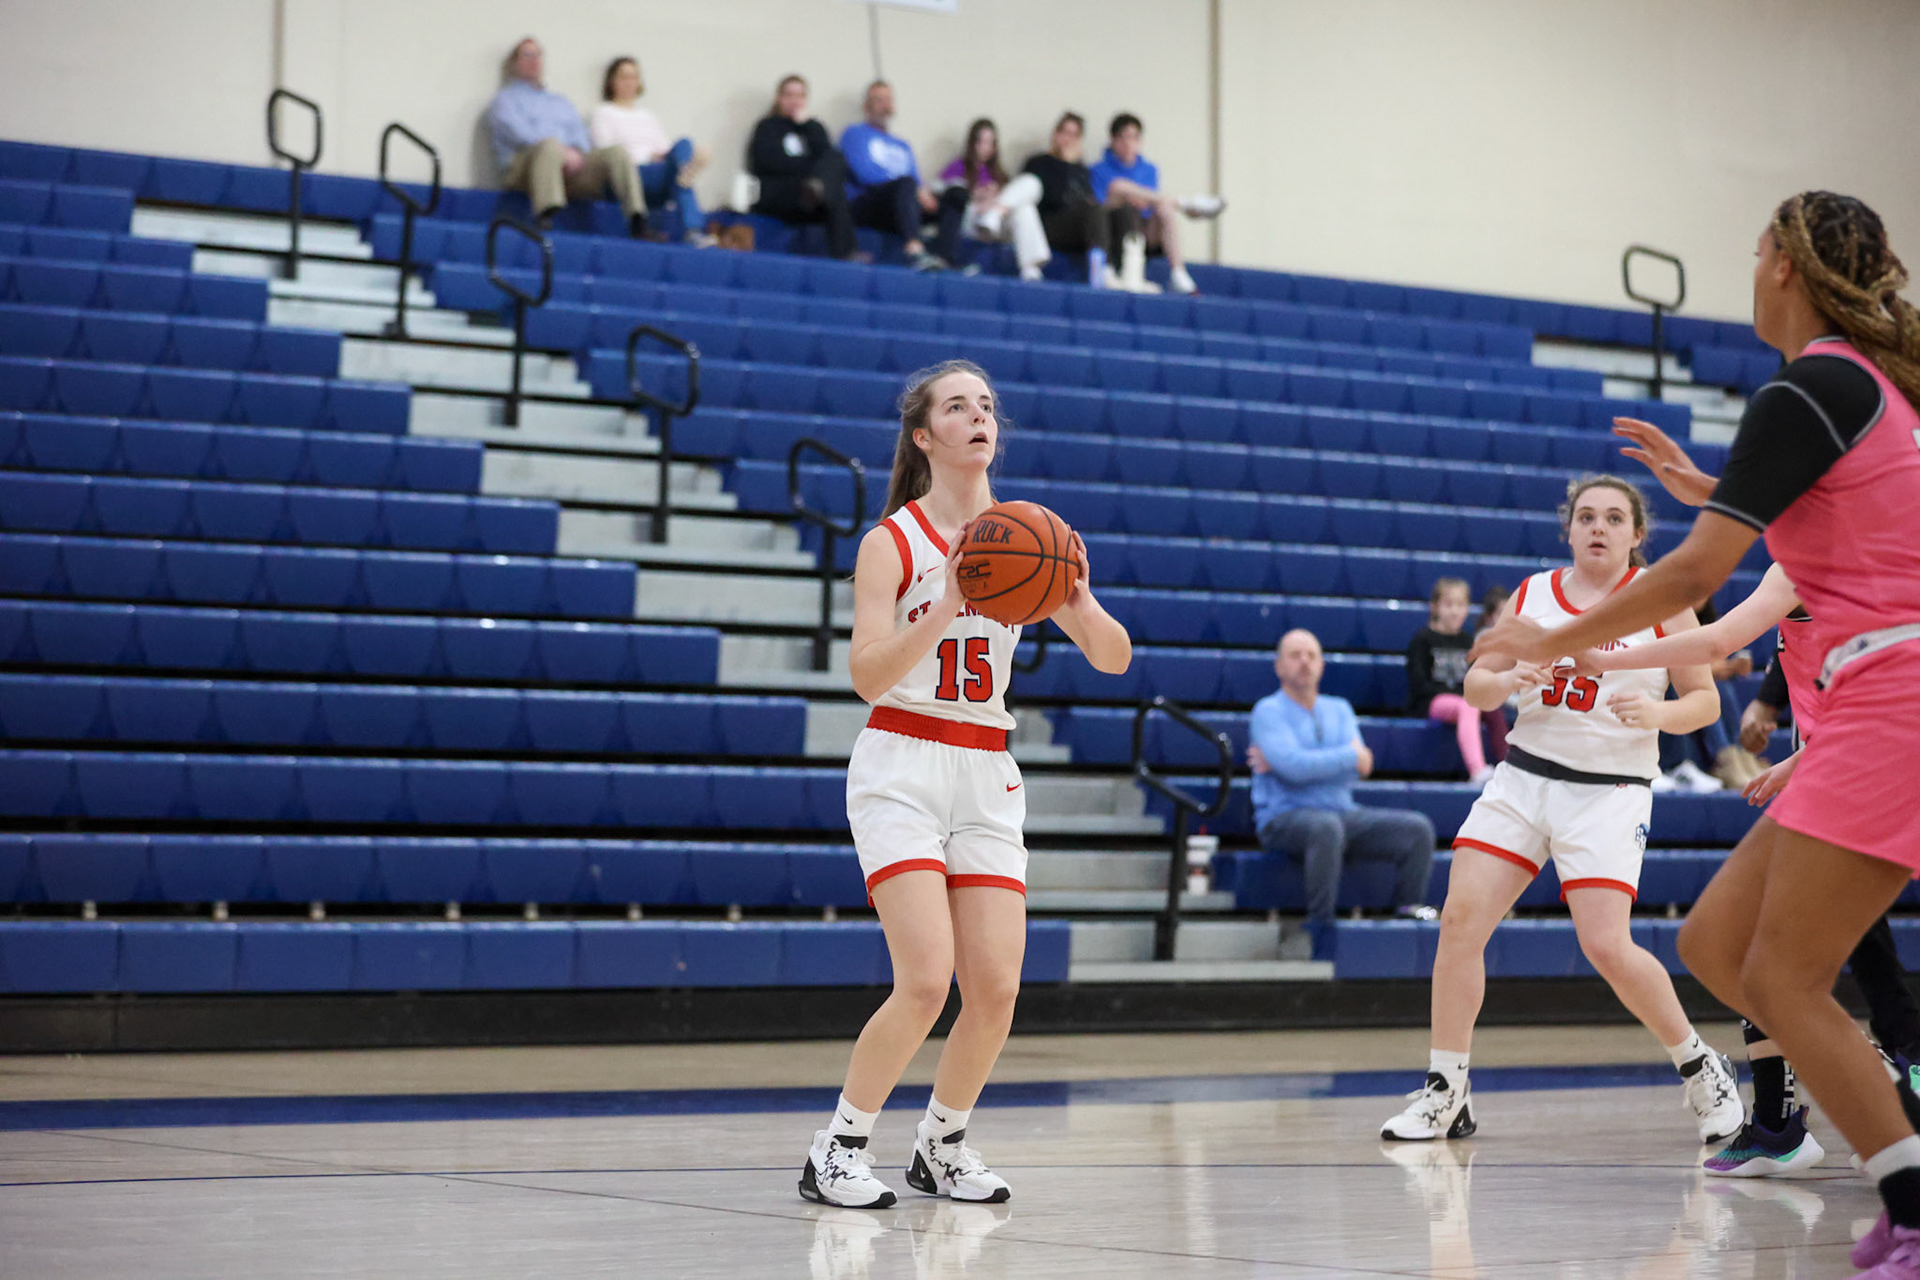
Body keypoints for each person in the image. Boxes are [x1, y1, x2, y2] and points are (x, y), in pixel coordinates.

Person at [1473, 191, 1920, 1277]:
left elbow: (1692, 576)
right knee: (1721, 945)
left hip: (1890, 697)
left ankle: (1913, 1194)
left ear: (1786, 268)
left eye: (1760, 247)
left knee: (1790, 970)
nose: (1751, 263)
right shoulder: (1855, 392)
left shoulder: (1810, 385)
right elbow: (1823, 518)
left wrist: (1559, 633)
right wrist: (1712, 486)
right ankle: (1900, 1157)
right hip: (1869, 704)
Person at [799, 360, 1131, 1209]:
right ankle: (836, 1148)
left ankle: (941, 1144)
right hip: (902, 761)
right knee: (924, 980)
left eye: (987, 406)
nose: (979, 417)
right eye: (958, 407)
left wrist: (1081, 601)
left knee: (996, 988)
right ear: (925, 436)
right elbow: (868, 674)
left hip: (986, 767)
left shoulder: (1028, 534)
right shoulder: (892, 542)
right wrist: (946, 601)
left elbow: (1114, 656)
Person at [1586, 418, 1920, 1178]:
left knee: (1777, 956)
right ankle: (1796, 1113)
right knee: (1749, 948)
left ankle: (1866, 1082)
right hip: (1850, 753)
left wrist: (1599, 654)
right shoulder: (1826, 543)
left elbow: (1715, 639)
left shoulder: (1822, 564)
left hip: (1873, 754)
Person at [1381, 474, 1743, 1146]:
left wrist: (1660, 711)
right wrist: (1506, 676)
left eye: (1613, 518)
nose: (1598, 527)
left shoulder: (1661, 599)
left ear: (1637, 535)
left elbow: (1706, 700)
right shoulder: (1531, 595)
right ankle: (1446, 1088)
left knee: (1606, 945)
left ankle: (1702, 1066)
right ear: (1569, 529)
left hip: (1608, 790)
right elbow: (1477, 685)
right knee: (1460, 922)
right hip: (1524, 779)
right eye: (1586, 517)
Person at [1247, 628, 1437, 961]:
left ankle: (1407, 917)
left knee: (1417, 829)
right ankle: (1321, 929)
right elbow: (1295, 766)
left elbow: (1362, 768)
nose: (1305, 662)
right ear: (1278, 666)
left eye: (1312, 655)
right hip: (1283, 816)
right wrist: (1346, 755)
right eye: (1295, 655)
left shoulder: (1339, 708)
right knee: (1325, 828)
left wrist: (1307, 762)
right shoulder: (1268, 711)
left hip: (1341, 811)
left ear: (1322, 665)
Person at [485, 37, 649, 235]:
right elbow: (522, 135)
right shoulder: (505, 100)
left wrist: (577, 153)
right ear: (514, 64)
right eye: (527, 55)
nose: (534, 60)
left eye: (538, 55)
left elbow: (580, 135)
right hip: (524, 168)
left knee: (616, 153)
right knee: (549, 146)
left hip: (568, 169)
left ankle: (637, 219)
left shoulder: (560, 102)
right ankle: (546, 215)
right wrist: (562, 151)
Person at [1089, 112, 1224, 295]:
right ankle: (1185, 204)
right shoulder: (1098, 169)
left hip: (1144, 231)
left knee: (1165, 207)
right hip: (1115, 229)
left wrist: (1142, 201)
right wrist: (1129, 198)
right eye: (1123, 137)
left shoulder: (1150, 169)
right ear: (1113, 140)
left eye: (1134, 137)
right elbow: (1101, 205)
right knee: (1119, 186)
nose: (1129, 143)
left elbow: (1149, 203)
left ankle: (1178, 272)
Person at [588, 56, 712, 247]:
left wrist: (664, 159)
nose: (630, 82)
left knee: (684, 144)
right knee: (682, 177)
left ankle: (685, 174)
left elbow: (663, 151)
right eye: (624, 77)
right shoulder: (603, 112)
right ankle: (693, 227)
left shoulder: (648, 117)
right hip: (628, 176)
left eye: (634, 77)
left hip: (655, 174)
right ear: (611, 82)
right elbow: (607, 153)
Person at [747, 75, 860, 261]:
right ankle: (847, 251)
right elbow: (766, 163)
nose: (794, 101)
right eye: (789, 95)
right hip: (781, 195)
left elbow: (830, 160)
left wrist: (807, 126)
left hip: (812, 200)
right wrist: (810, 170)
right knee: (828, 186)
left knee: (837, 163)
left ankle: (846, 257)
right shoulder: (767, 126)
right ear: (779, 98)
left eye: (800, 96)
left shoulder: (814, 128)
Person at [1407, 576, 1506, 785]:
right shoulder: (1422, 639)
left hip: (1464, 701)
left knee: (1493, 709)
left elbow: (1475, 678)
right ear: (1435, 607)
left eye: (1461, 605)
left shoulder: (1467, 641)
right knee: (1468, 705)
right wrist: (1459, 695)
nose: (1455, 611)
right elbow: (1419, 684)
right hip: (1432, 702)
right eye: (1449, 605)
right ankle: (1477, 769)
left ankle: (1508, 767)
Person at [839, 81, 944, 272]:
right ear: (866, 106)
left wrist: (924, 195)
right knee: (906, 184)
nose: (885, 105)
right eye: (879, 100)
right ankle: (914, 250)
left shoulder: (903, 145)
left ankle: (946, 260)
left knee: (954, 197)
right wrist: (910, 188)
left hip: (903, 203)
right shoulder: (854, 134)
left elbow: (916, 180)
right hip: (869, 204)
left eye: (888, 100)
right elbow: (864, 175)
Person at [1019, 113, 1127, 287]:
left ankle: (1119, 270)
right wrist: (1065, 165)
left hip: (1079, 227)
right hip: (1049, 223)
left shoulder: (1082, 170)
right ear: (1056, 134)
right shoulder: (1038, 162)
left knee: (1116, 211)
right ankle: (1103, 269)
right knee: (1093, 210)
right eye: (1065, 133)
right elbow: (1052, 198)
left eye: (1074, 135)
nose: (1068, 139)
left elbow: (1088, 198)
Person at [934, 119, 1050, 282]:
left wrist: (995, 199)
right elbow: (943, 192)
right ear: (972, 142)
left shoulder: (999, 173)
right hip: (974, 219)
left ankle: (1030, 268)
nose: (985, 148)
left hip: (996, 223)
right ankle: (994, 214)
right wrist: (975, 195)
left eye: (990, 143)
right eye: (981, 142)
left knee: (1030, 188)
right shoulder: (959, 166)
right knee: (1020, 206)